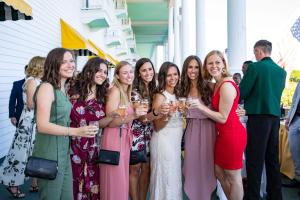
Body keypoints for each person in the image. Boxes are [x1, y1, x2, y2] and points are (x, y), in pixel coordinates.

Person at [32, 48, 98, 200]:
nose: (70, 65)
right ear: (53, 64)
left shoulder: (62, 88)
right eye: (64, 62)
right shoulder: (46, 87)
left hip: (64, 152)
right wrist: (76, 132)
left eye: (72, 61)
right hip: (49, 153)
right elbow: (42, 125)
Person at [193, 50, 247, 200]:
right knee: (218, 172)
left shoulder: (226, 85)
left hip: (232, 135)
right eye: (210, 63)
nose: (214, 66)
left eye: (217, 62)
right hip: (222, 135)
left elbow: (223, 117)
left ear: (224, 64)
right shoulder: (216, 84)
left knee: (233, 175)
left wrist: (200, 107)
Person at [239, 40, 286, 200]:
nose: (255, 56)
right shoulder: (281, 72)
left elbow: (242, 92)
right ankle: (275, 195)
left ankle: (252, 196)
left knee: (254, 159)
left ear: (259, 51)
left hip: (258, 118)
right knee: (272, 159)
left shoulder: (255, 67)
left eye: (255, 52)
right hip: (274, 119)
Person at [68, 57, 118, 200]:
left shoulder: (104, 95)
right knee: (76, 183)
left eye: (105, 71)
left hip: (94, 147)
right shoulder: (73, 90)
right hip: (74, 146)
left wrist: (112, 116)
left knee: (94, 186)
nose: (103, 74)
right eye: (99, 70)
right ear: (90, 71)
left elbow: (99, 123)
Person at [99, 61, 146, 200]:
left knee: (121, 180)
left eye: (131, 72)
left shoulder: (127, 91)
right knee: (115, 180)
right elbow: (111, 122)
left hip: (123, 139)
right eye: (124, 72)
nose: (129, 75)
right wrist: (134, 115)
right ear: (117, 76)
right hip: (114, 138)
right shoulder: (115, 91)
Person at [0, 56, 45, 198]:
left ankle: (20, 183)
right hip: (28, 122)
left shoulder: (38, 81)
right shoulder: (31, 81)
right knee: (19, 154)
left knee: (28, 154)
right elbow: (31, 104)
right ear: (39, 66)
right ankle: (12, 183)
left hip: (33, 121)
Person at [180, 55, 217, 200]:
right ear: (185, 69)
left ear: (201, 69)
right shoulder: (182, 88)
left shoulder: (210, 86)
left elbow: (224, 106)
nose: (193, 70)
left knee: (208, 164)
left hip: (209, 129)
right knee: (191, 164)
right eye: (190, 67)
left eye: (196, 67)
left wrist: (240, 111)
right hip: (191, 129)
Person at [129, 58, 165, 200]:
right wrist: (157, 112)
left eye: (150, 69)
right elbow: (142, 119)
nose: (148, 72)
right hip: (136, 135)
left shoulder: (154, 90)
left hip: (150, 134)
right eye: (144, 70)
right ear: (138, 73)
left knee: (147, 170)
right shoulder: (134, 92)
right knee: (135, 170)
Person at [150, 62, 183, 200]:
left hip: (175, 142)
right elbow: (157, 126)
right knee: (165, 177)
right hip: (163, 141)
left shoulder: (177, 95)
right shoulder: (160, 96)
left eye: (175, 74)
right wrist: (169, 114)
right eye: (169, 75)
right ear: (163, 77)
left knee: (173, 176)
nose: (173, 78)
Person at [285, 80, 300, 187]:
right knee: (294, 150)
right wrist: (288, 117)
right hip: (296, 118)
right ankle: (298, 178)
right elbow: (295, 99)